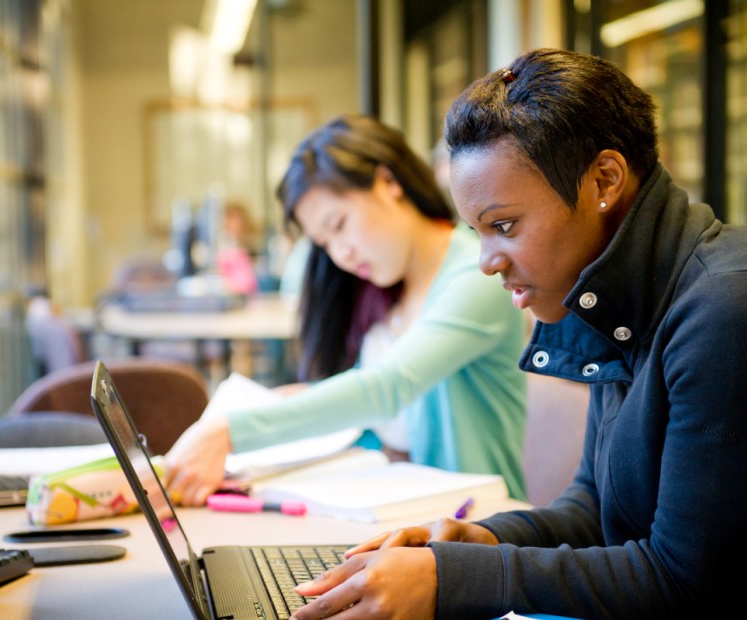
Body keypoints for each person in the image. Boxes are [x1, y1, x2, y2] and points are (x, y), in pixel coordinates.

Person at [286, 48, 747, 619]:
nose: (486, 262)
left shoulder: (730, 309)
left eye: (504, 226)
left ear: (605, 180)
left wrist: (456, 579)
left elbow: (684, 580)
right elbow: (597, 509)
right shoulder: (620, 294)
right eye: (479, 231)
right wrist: (484, 541)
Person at [164, 114, 529, 506]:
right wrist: (293, 400)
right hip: (400, 512)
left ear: (388, 183)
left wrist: (229, 431)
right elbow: (378, 412)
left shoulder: (477, 274)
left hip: (479, 528)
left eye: (339, 225)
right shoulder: (385, 287)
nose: (341, 253)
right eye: (324, 242)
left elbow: (387, 388)